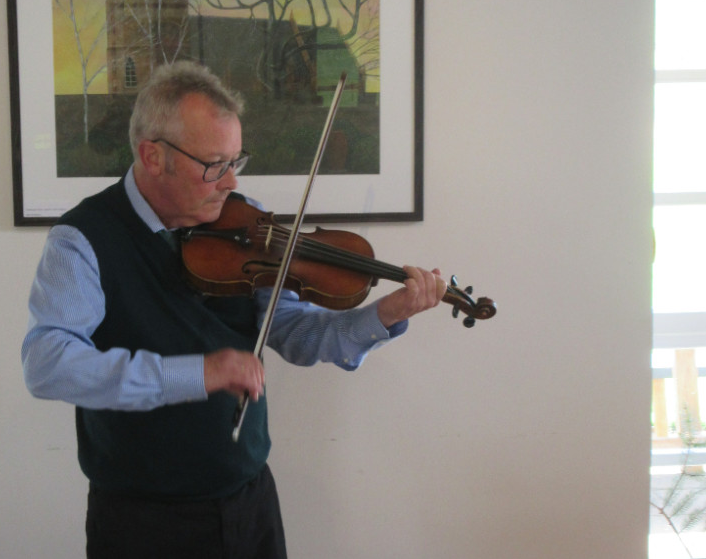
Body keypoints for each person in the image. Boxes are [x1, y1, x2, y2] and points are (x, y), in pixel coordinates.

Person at [22, 61, 446, 559]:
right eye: (213, 165)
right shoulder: (84, 239)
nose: (228, 184)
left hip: (249, 502)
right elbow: (47, 365)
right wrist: (195, 373)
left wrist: (385, 314)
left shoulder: (244, 223)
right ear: (153, 157)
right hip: (142, 519)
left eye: (234, 162)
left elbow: (293, 333)